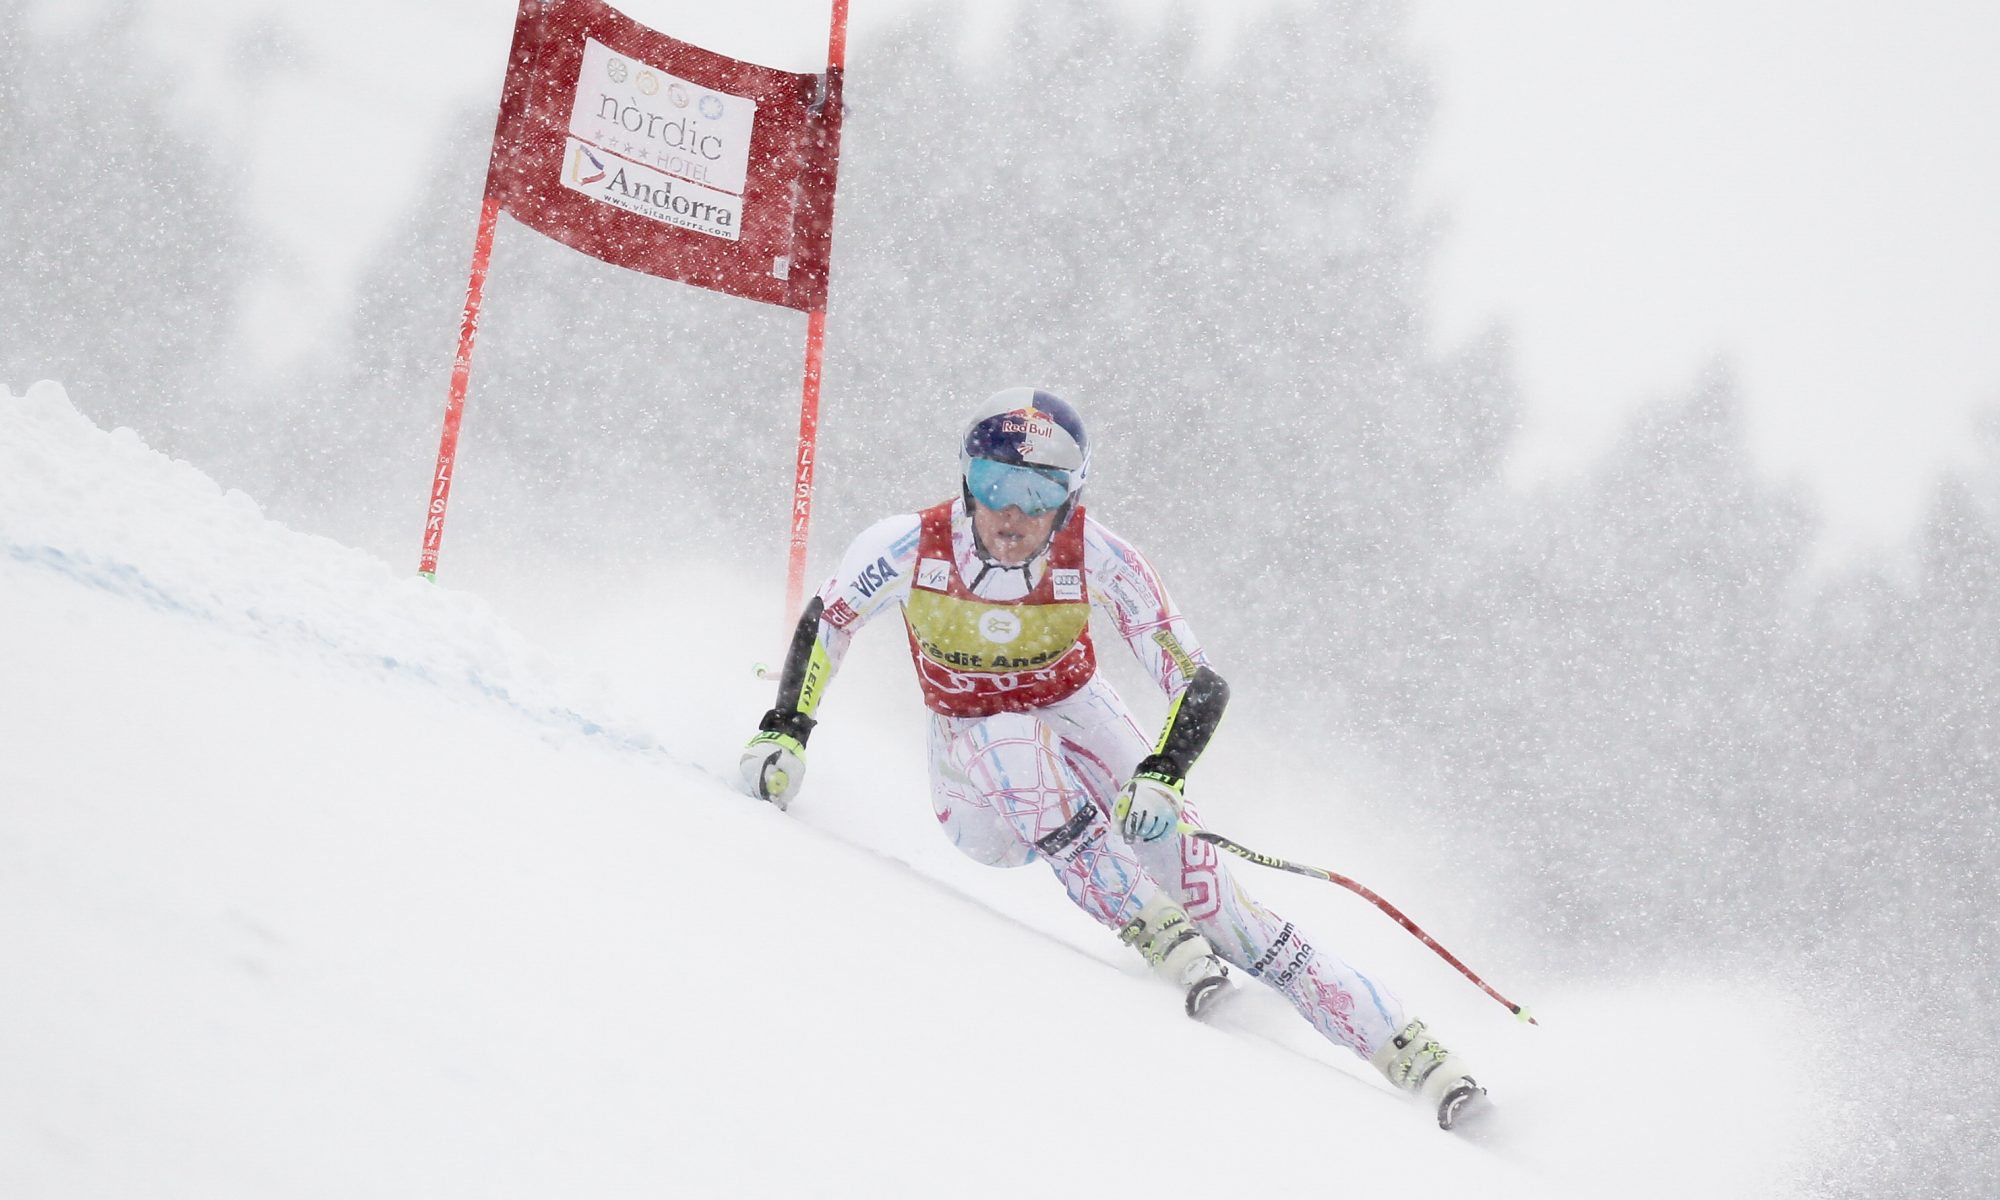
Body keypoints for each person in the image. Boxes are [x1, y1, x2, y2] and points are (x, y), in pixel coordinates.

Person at [740, 387, 1487, 1130]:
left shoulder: (1101, 555)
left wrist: (1164, 775)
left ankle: (1409, 1053)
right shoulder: (907, 544)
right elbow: (828, 622)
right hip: (975, 780)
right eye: (994, 484)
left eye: (1039, 491)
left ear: (1072, 498)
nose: (1012, 514)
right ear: (966, 479)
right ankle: (1153, 929)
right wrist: (786, 729)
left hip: (1074, 712)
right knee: (1006, 734)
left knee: (1212, 896)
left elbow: (1199, 681)